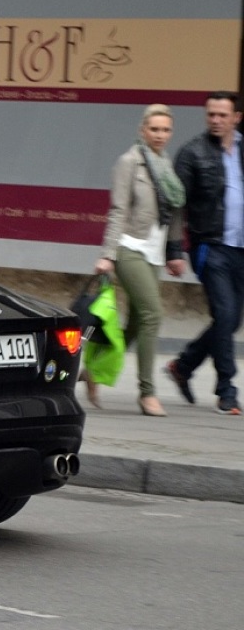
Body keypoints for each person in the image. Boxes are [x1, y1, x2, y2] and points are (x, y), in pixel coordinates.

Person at [87, 104, 186, 416]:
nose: (160, 135)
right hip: (130, 248)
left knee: (137, 323)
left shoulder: (165, 163)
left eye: (165, 130)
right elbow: (118, 210)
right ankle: (147, 393)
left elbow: (173, 213)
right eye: (154, 129)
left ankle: (92, 370)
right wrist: (107, 255)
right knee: (153, 314)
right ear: (143, 130)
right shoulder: (129, 162)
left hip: (154, 252)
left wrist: (174, 252)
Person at [166, 91, 244, 415]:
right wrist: (173, 250)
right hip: (209, 247)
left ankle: (183, 366)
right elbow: (175, 205)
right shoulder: (191, 153)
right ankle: (227, 390)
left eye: (222, 115)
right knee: (225, 315)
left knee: (231, 320)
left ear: (236, 118)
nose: (215, 120)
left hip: (241, 248)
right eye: (211, 114)